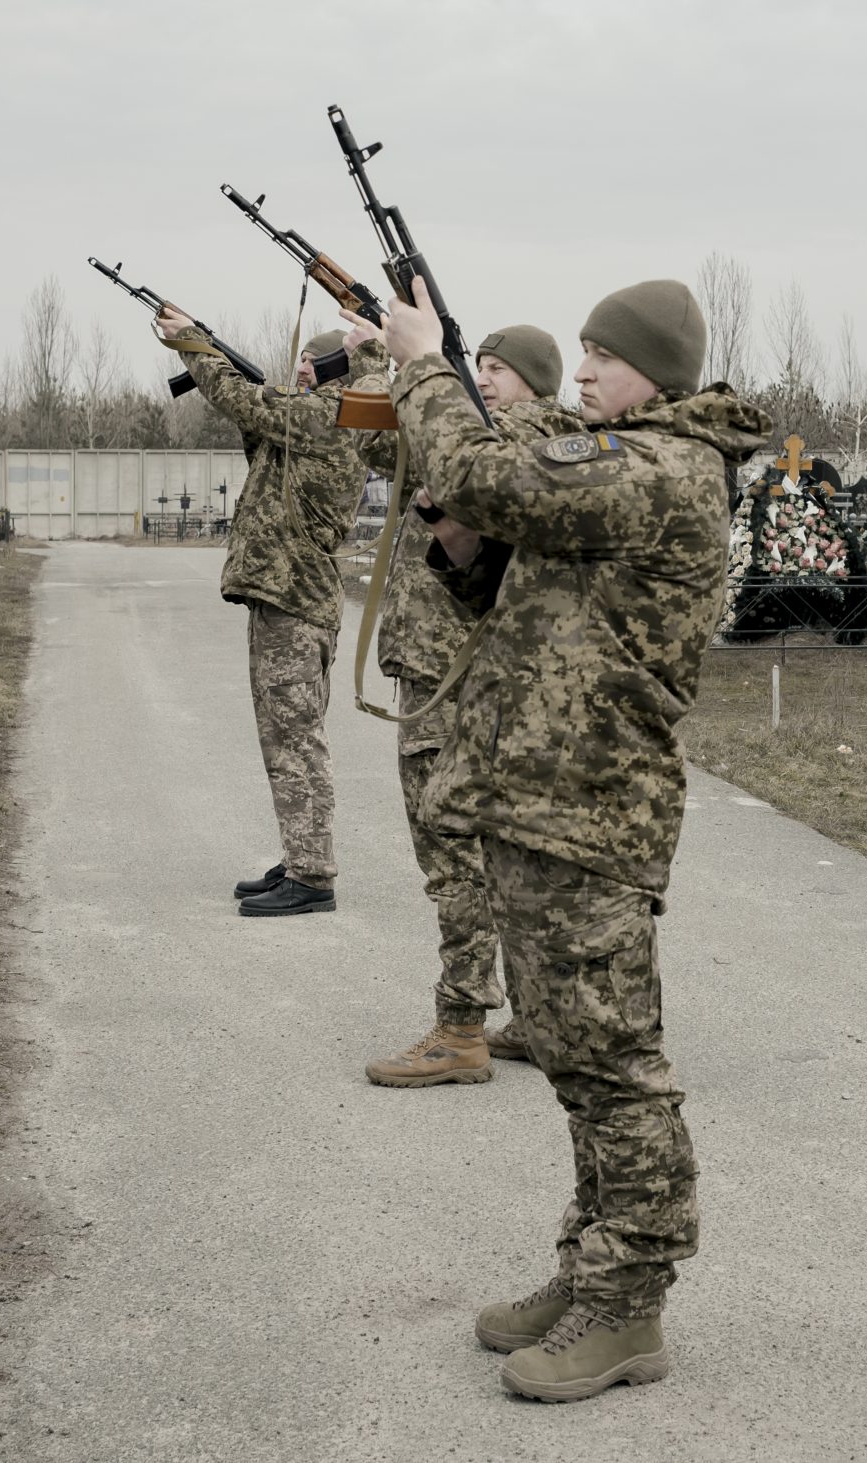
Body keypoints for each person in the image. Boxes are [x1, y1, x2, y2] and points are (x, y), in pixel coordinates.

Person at [375, 278, 769, 1400]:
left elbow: (484, 468)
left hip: (593, 808)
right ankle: (588, 1269)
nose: (584, 372)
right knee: (569, 1057)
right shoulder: (625, 459)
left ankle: (630, 1302)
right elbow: (522, 578)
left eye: (604, 357)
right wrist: (461, 550)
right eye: (582, 352)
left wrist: (421, 367)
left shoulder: (665, 467)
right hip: (538, 798)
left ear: (661, 373)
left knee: (613, 1067)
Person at [349, 324, 581, 1089]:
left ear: (537, 387)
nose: (481, 381)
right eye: (474, 368)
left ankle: (459, 1028)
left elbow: (446, 443)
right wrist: (382, 358)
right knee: (502, 859)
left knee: (452, 859)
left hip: (451, 682)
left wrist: (418, 369)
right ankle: (540, 1018)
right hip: (457, 676)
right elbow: (387, 445)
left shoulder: (517, 437)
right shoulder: (492, 442)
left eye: (498, 372)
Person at [155, 309, 387, 916]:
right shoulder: (317, 420)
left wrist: (192, 345)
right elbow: (262, 432)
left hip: (296, 599)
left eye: (313, 362)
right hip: (286, 597)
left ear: (338, 368)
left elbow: (240, 398)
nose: (301, 370)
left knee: (296, 738)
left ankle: (312, 876)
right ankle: (302, 856)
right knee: (286, 736)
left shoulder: (330, 415)